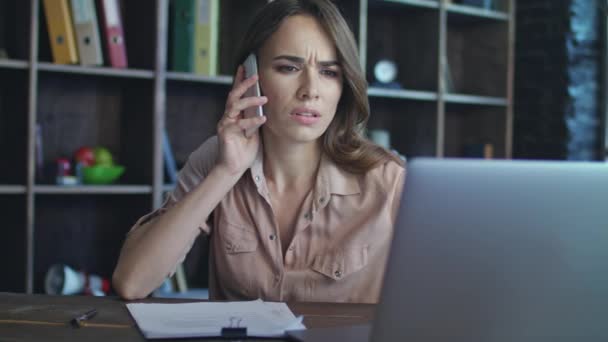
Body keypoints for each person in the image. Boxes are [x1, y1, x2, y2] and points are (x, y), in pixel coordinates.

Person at [112, 0, 405, 303]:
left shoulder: (387, 180)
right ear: (249, 76)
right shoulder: (217, 159)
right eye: (289, 68)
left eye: (329, 72)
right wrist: (226, 172)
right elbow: (132, 282)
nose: (310, 90)